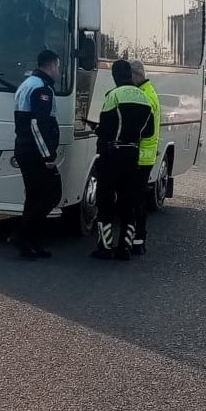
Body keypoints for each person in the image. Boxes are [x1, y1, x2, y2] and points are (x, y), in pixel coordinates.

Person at [93, 59, 155, 261]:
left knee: (105, 201)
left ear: (114, 77)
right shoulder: (144, 98)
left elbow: (105, 128)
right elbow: (149, 131)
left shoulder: (113, 96)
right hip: (132, 156)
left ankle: (105, 246)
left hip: (112, 156)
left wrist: (98, 130)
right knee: (128, 202)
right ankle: (125, 247)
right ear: (130, 75)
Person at [10, 50, 62, 260]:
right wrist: (48, 157)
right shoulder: (41, 89)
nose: (58, 71)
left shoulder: (27, 84)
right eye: (57, 67)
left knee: (34, 197)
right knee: (51, 195)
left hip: (25, 149)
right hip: (35, 154)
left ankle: (30, 243)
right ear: (51, 66)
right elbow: (38, 126)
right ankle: (22, 236)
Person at [130, 59, 160, 255]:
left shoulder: (145, 96)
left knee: (137, 201)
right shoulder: (147, 92)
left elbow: (139, 128)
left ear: (137, 75)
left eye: (130, 76)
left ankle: (138, 240)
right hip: (143, 156)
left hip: (141, 157)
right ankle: (136, 239)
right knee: (135, 200)